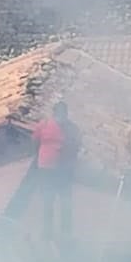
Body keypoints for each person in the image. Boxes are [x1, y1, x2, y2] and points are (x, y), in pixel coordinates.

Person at [31, 100, 80, 240]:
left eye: (63, 113)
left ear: (66, 114)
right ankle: (47, 232)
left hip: (63, 171)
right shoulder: (44, 125)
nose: (61, 116)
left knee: (65, 203)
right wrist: (40, 159)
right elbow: (35, 143)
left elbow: (76, 147)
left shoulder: (72, 129)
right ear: (54, 114)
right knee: (48, 202)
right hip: (46, 170)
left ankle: (66, 234)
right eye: (59, 113)